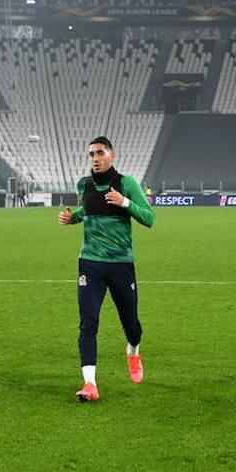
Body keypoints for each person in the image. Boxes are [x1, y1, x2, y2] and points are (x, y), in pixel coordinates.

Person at [57, 136, 155, 402]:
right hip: (90, 262)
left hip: (121, 264)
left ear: (112, 155)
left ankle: (133, 351)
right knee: (88, 323)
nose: (95, 158)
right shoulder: (84, 184)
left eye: (100, 153)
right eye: (91, 154)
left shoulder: (127, 183)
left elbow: (149, 219)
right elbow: (88, 212)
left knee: (130, 324)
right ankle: (90, 384)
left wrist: (124, 202)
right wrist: (72, 218)